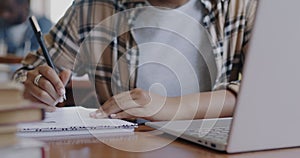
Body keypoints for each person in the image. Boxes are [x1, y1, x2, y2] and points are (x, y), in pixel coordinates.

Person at [13, 0, 258, 121]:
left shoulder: (241, 6)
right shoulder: (92, 7)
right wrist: (34, 83)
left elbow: (267, 93)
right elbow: (29, 72)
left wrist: (169, 106)